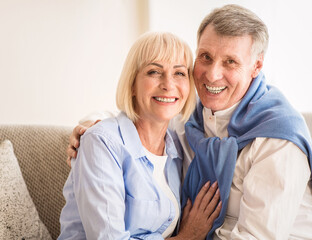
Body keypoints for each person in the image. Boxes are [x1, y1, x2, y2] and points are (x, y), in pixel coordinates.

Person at [67, 4, 312, 239]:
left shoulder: (278, 139)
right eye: (206, 57)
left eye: (230, 62)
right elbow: (143, 113)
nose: (212, 75)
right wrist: (95, 124)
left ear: (257, 66)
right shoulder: (190, 119)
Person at [59, 32, 222, 239]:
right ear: (132, 84)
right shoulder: (101, 142)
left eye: (179, 73)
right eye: (154, 72)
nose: (168, 84)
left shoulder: (177, 148)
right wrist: (188, 236)